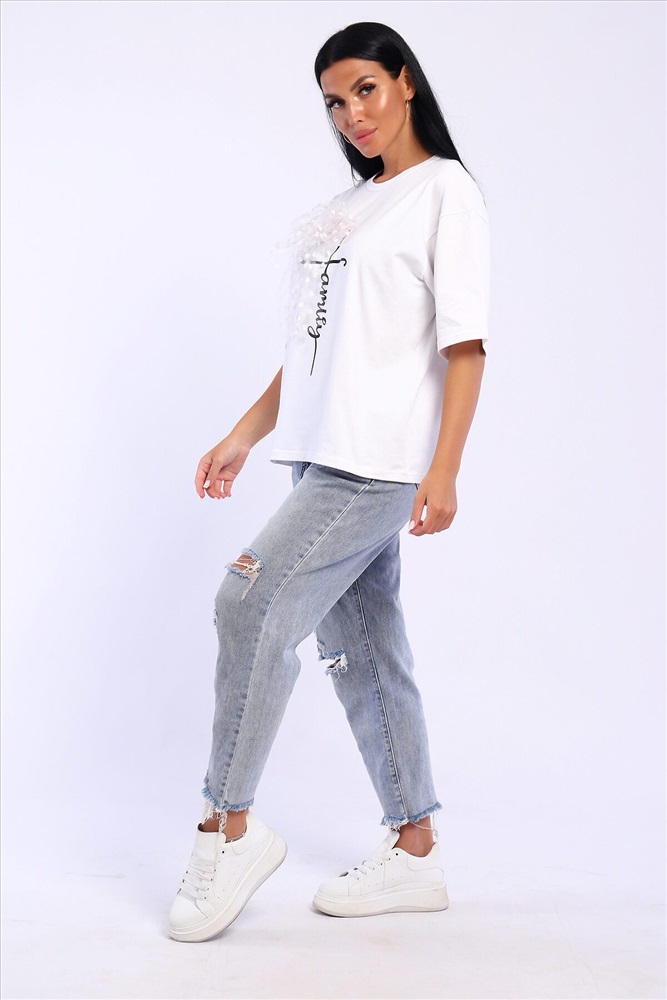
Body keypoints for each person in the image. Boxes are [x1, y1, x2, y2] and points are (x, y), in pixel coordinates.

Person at [167, 20, 491, 943]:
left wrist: (444, 468)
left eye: (365, 90)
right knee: (367, 650)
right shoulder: (349, 207)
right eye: (334, 102)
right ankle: (415, 850)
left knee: (245, 604)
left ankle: (229, 827)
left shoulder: (444, 193)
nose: (351, 114)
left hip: (375, 463)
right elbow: (313, 352)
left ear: (405, 83)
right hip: (318, 455)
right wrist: (243, 435)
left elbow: (464, 344)